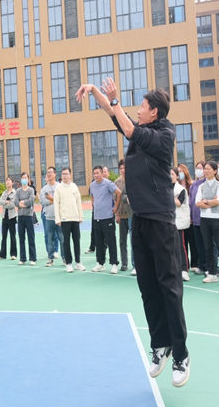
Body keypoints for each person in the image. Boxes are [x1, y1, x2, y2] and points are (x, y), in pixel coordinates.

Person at [76, 79, 190, 387]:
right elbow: (115, 116)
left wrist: (116, 101)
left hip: (161, 221)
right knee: (147, 287)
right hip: (139, 221)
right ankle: (160, 345)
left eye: (142, 106)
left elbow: (127, 127)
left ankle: (181, 354)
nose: (137, 110)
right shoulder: (138, 130)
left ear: (154, 112)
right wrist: (95, 91)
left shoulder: (164, 134)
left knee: (169, 289)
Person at [196, 161, 219, 285]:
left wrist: (205, 201)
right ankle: (211, 274)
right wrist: (210, 201)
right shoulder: (201, 186)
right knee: (207, 247)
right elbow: (197, 203)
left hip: (218, 219)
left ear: (215, 171)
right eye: (205, 169)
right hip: (204, 219)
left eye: (209, 169)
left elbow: (218, 201)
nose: (206, 171)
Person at [89, 165, 121, 274]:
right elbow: (92, 196)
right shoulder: (92, 185)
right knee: (99, 242)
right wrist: (94, 204)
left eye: (98, 173)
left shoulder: (108, 183)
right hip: (97, 217)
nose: (96, 175)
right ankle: (100, 263)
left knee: (111, 241)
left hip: (108, 217)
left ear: (102, 173)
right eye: (94, 173)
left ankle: (114, 264)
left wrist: (116, 208)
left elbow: (119, 193)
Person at [54, 168, 85, 272]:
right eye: (63, 174)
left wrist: (80, 216)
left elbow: (78, 202)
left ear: (70, 175)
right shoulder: (58, 188)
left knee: (77, 241)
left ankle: (78, 262)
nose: (64, 176)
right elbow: (56, 204)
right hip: (64, 219)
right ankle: (68, 263)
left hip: (75, 218)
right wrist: (58, 219)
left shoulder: (74, 186)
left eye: (66, 174)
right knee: (66, 242)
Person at [40, 167, 63, 266]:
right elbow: (43, 201)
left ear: (55, 174)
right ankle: (50, 259)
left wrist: (51, 198)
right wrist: (54, 200)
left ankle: (65, 258)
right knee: (49, 239)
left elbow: (62, 200)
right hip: (48, 217)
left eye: (50, 172)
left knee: (62, 239)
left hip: (59, 218)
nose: (49, 174)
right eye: (47, 172)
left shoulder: (60, 187)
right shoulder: (44, 189)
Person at [171, 168, 191, 282]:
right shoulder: (165, 188)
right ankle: (174, 269)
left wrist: (169, 196)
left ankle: (184, 270)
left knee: (180, 246)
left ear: (177, 176)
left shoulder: (181, 189)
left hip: (179, 222)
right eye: (168, 174)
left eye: (172, 174)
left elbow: (178, 202)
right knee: (170, 247)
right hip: (168, 222)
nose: (170, 176)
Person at [115, 159, 134, 273]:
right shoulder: (117, 182)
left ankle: (134, 264)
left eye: (124, 168)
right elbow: (115, 199)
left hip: (132, 214)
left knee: (133, 240)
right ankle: (124, 263)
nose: (123, 170)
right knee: (122, 241)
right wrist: (117, 214)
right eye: (121, 168)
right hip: (122, 215)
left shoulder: (133, 180)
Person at [14, 172, 37, 265]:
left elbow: (31, 201)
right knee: (21, 238)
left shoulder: (31, 190)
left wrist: (22, 202)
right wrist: (21, 204)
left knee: (31, 237)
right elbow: (16, 202)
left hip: (29, 216)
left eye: (26, 177)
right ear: (21, 179)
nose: (24, 179)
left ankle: (33, 258)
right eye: (23, 177)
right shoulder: (18, 191)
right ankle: (22, 258)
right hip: (20, 217)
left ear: (28, 179)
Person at [189, 161, 206, 274]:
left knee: (207, 244)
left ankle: (209, 266)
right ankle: (201, 265)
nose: (198, 170)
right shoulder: (193, 185)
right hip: (195, 219)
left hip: (204, 218)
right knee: (198, 244)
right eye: (197, 168)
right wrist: (190, 216)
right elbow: (191, 202)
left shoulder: (206, 184)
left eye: (200, 168)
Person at [0, 176, 18, 260]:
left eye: (9, 180)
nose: (7, 182)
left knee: (12, 236)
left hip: (12, 217)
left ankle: (13, 254)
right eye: (6, 180)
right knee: (4, 236)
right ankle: (2, 254)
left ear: (12, 182)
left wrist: (5, 204)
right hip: (4, 216)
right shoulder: (4, 192)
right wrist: (6, 202)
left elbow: (12, 204)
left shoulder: (14, 193)